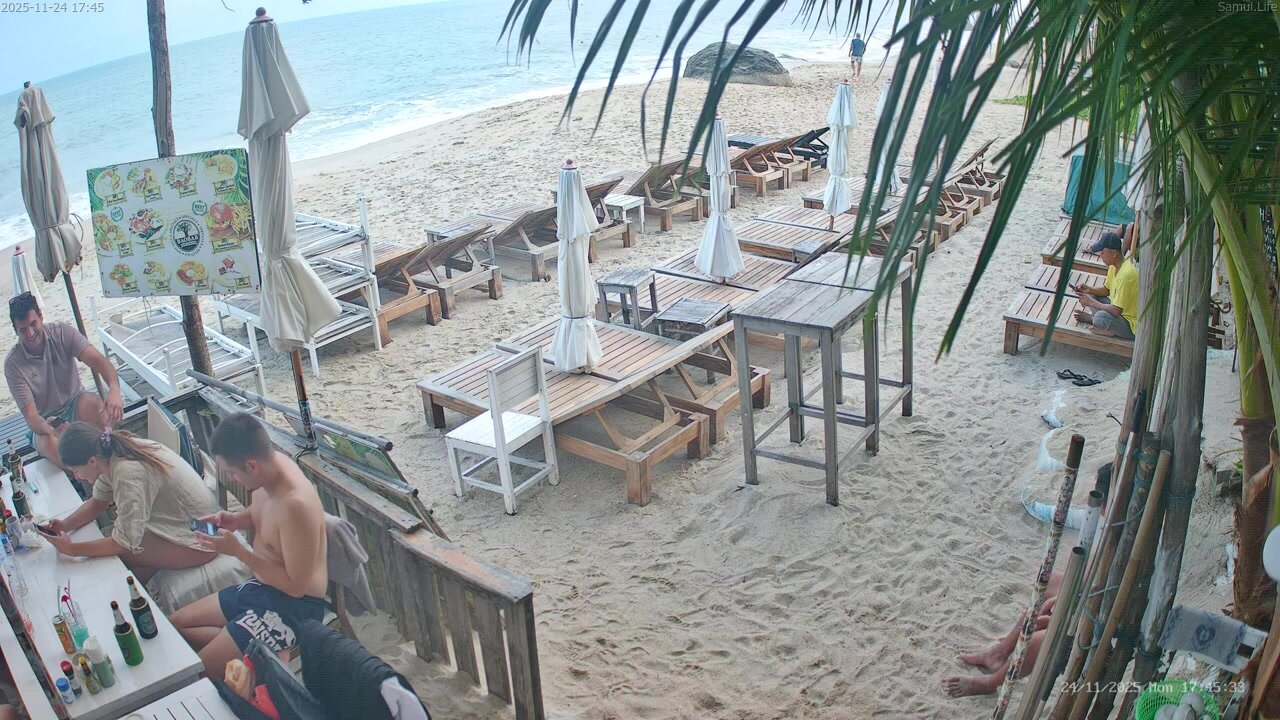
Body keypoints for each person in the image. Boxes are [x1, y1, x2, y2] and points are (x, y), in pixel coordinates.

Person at [170, 413, 328, 680]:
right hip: (262, 587)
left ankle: (249, 652)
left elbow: (296, 587)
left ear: (252, 466)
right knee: (176, 624)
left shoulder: (295, 505)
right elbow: (265, 516)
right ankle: (250, 650)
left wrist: (239, 552)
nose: (232, 479)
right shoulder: (268, 473)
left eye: (232, 473)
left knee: (200, 673)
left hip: (295, 606)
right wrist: (235, 520)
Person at [943, 465, 1113, 698]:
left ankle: (991, 683)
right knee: (1049, 584)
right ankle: (1001, 652)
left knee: (1041, 639)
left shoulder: (1127, 535)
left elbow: (1106, 592)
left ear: (1105, 505)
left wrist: (1063, 606)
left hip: (1107, 615)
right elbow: (1091, 573)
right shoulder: (1113, 527)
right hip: (1095, 595)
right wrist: (1059, 598)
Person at [43, 423, 218, 583]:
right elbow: (98, 502)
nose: (77, 477)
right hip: (193, 524)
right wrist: (64, 526)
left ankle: (131, 600)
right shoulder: (110, 454)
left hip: (206, 537)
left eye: (76, 471)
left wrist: (72, 549)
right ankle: (134, 597)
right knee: (121, 556)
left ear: (92, 461)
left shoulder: (127, 473)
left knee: (114, 558)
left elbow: (122, 543)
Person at [4, 292, 123, 466]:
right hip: (46, 421)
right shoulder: (13, 364)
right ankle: (80, 477)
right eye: (23, 330)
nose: (30, 333)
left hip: (75, 401)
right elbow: (31, 416)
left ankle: (109, 463)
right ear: (16, 330)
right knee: (52, 446)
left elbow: (99, 362)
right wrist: (51, 429)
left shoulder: (62, 333)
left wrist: (114, 389)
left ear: (41, 317)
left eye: (33, 324)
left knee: (98, 409)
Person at [1072, 231, 1138, 340]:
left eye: (1102, 252)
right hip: (1119, 313)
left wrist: (1092, 303)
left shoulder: (1126, 275)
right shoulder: (1114, 266)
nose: (1100, 255)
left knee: (1100, 317)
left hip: (1131, 325)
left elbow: (1117, 311)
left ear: (1113, 253)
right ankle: (1096, 320)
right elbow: (1107, 290)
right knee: (1091, 295)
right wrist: (1089, 289)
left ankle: (1101, 324)